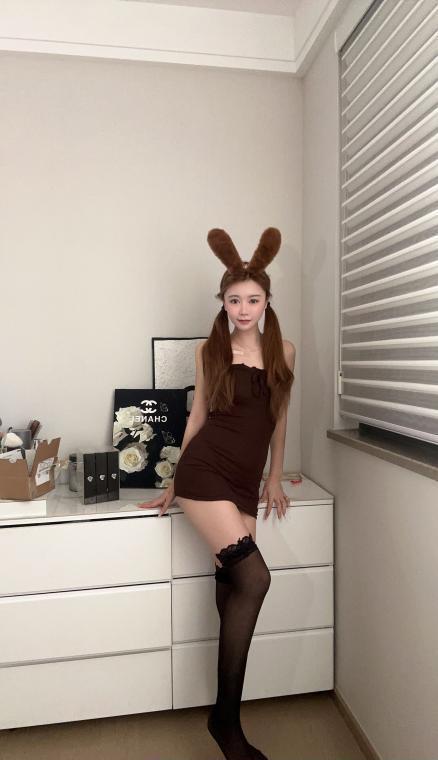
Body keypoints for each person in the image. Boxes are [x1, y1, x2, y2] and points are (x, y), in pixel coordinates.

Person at [138, 227, 295, 760]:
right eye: (234, 300)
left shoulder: (284, 350)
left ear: (267, 301)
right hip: (205, 471)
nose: (243, 309)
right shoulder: (210, 349)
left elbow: (279, 419)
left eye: (253, 299)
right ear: (222, 302)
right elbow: (197, 417)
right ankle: (226, 721)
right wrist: (174, 480)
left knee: (232, 585)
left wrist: (275, 476)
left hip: (246, 480)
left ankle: (224, 714)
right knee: (256, 578)